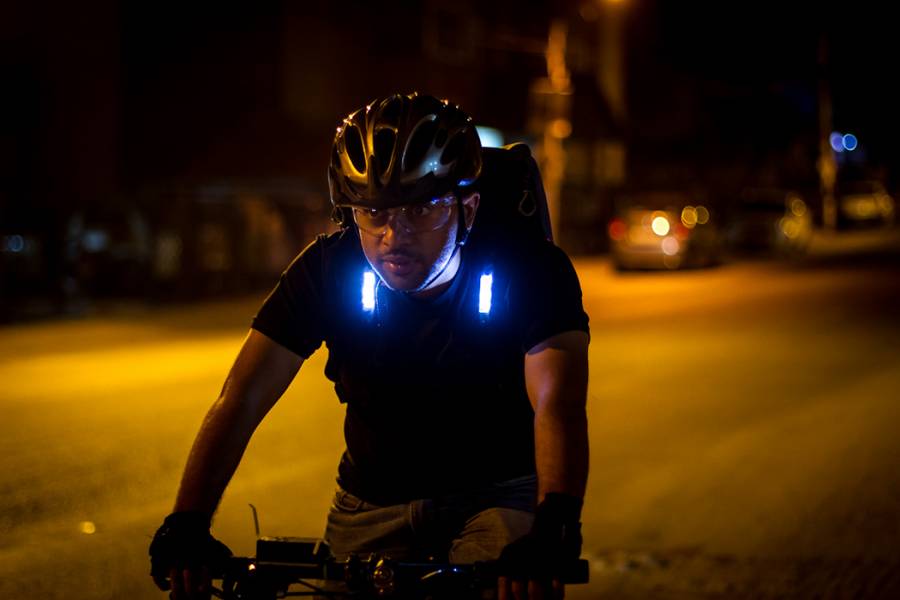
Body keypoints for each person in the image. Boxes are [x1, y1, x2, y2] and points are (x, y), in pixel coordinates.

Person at [150, 92, 590, 600]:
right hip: (369, 504)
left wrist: (554, 523)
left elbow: (558, 404)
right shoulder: (327, 269)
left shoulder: (530, 269)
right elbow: (241, 399)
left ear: (467, 208)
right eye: (373, 212)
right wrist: (187, 521)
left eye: (419, 209)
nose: (392, 236)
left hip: (496, 496)